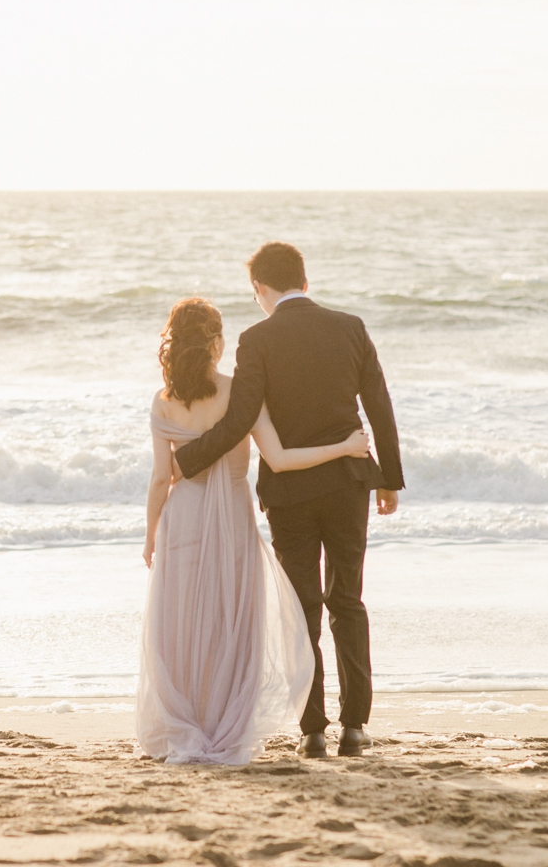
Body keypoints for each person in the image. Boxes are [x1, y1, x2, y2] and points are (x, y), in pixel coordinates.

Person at [173, 243, 403, 759]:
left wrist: (186, 461)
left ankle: (314, 730)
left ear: (260, 288)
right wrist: (388, 477)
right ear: (304, 278)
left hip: (292, 495)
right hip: (349, 483)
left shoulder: (257, 340)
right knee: (348, 598)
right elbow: (379, 404)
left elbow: (240, 420)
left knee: (303, 610)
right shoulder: (350, 326)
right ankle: (356, 728)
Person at [136, 296, 372, 764]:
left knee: (183, 626)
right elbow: (281, 460)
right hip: (232, 524)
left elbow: (162, 478)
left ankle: (188, 721)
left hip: (181, 520)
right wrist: (344, 446)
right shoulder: (239, 394)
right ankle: (226, 723)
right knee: (230, 623)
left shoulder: (161, 403)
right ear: (217, 345)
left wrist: (150, 534)